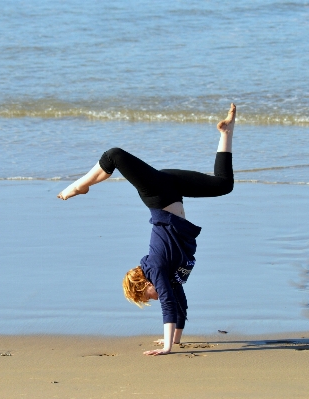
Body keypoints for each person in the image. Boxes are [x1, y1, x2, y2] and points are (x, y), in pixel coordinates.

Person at [57, 103, 236, 355]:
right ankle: (226, 133)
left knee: (114, 155)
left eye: (145, 297)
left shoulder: (156, 269)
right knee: (223, 185)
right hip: (172, 188)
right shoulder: (170, 275)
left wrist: (166, 348)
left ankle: (78, 186)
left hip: (158, 195)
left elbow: (167, 305)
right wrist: (175, 340)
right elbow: (179, 304)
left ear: (144, 284)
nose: (152, 299)